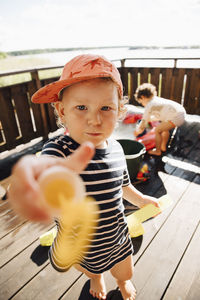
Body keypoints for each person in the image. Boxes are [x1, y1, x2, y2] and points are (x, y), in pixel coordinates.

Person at [8, 54, 159, 300]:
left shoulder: (117, 148)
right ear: (62, 110)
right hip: (82, 241)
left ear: (119, 110)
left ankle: (122, 283)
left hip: (116, 234)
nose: (94, 119)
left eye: (105, 108)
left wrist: (141, 200)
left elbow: (124, 186)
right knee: (89, 268)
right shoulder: (59, 151)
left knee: (125, 270)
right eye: (81, 107)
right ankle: (97, 278)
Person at [134, 83, 186, 156]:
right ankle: (163, 147)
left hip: (176, 116)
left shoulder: (150, 104)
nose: (142, 105)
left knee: (157, 130)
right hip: (180, 113)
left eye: (141, 102)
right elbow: (156, 117)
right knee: (164, 129)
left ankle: (158, 151)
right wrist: (147, 122)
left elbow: (144, 121)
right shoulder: (156, 100)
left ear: (143, 97)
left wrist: (138, 130)